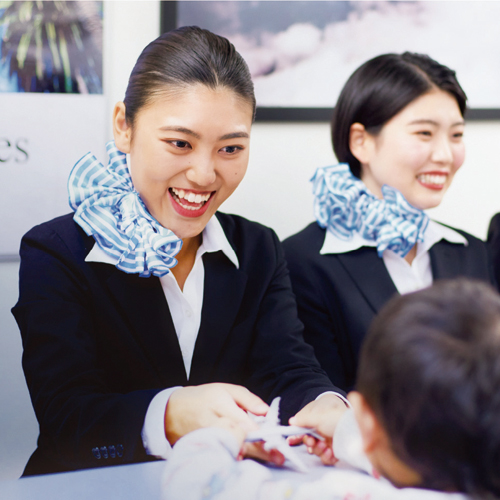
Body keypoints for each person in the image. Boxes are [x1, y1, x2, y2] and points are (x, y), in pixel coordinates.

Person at [12, 26, 346, 476]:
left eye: (230, 148)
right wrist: (170, 413)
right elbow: (66, 418)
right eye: (180, 143)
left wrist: (329, 408)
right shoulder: (56, 252)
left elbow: (291, 368)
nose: (205, 174)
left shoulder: (258, 249)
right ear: (124, 127)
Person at [162, 279, 500, 500]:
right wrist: (346, 431)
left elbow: (192, 485)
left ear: (365, 418)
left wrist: (217, 436)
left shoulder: (342, 493)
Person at [282, 52, 494, 391]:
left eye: (456, 135)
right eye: (424, 133)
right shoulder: (300, 262)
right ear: (361, 141)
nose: (444, 155)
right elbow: (318, 396)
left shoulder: (476, 251)